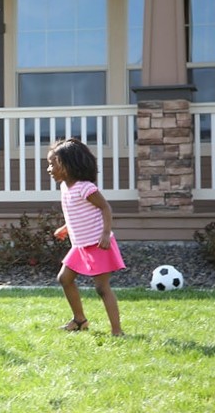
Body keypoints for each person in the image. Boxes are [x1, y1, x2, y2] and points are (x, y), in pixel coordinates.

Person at [47, 138, 125, 336]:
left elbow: (105, 208)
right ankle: (79, 320)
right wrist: (66, 227)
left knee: (101, 288)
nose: (49, 169)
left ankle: (117, 331)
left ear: (66, 165)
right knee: (64, 278)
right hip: (80, 244)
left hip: (98, 243)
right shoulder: (66, 187)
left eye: (52, 164)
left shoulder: (86, 188)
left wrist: (106, 234)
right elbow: (79, 213)